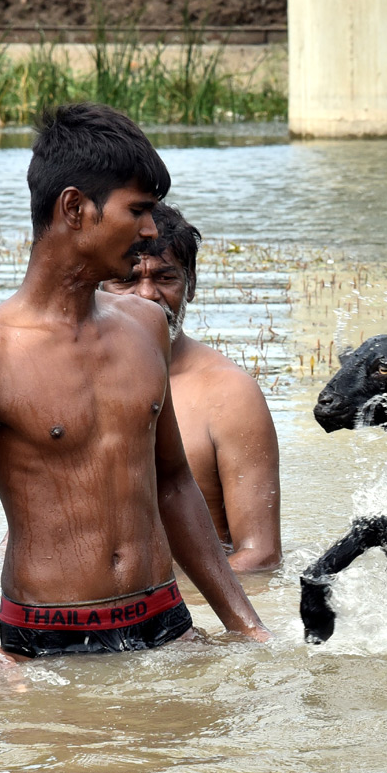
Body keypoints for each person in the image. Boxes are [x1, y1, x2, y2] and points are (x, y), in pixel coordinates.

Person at [0, 103, 270, 676]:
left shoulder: (145, 329)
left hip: (168, 624)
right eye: (138, 211)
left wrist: (245, 624)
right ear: (75, 207)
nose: (150, 230)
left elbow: (173, 484)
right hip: (47, 646)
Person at [100, 202, 282, 572]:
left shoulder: (229, 395)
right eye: (127, 280)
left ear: (191, 285)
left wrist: (165, 603)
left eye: (165, 278)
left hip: (188, 608)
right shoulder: (67, 382)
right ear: (98, 287)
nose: (147, 295)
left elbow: (260, 555)